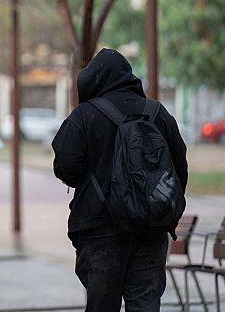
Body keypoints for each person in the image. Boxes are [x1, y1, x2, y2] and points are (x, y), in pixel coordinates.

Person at [52, 48, 188, 311]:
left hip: (101, 231)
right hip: (150, 227)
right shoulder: (157, 113)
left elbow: (64, 166)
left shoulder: (85, 115)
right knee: (146, 305)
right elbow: (179, 167)